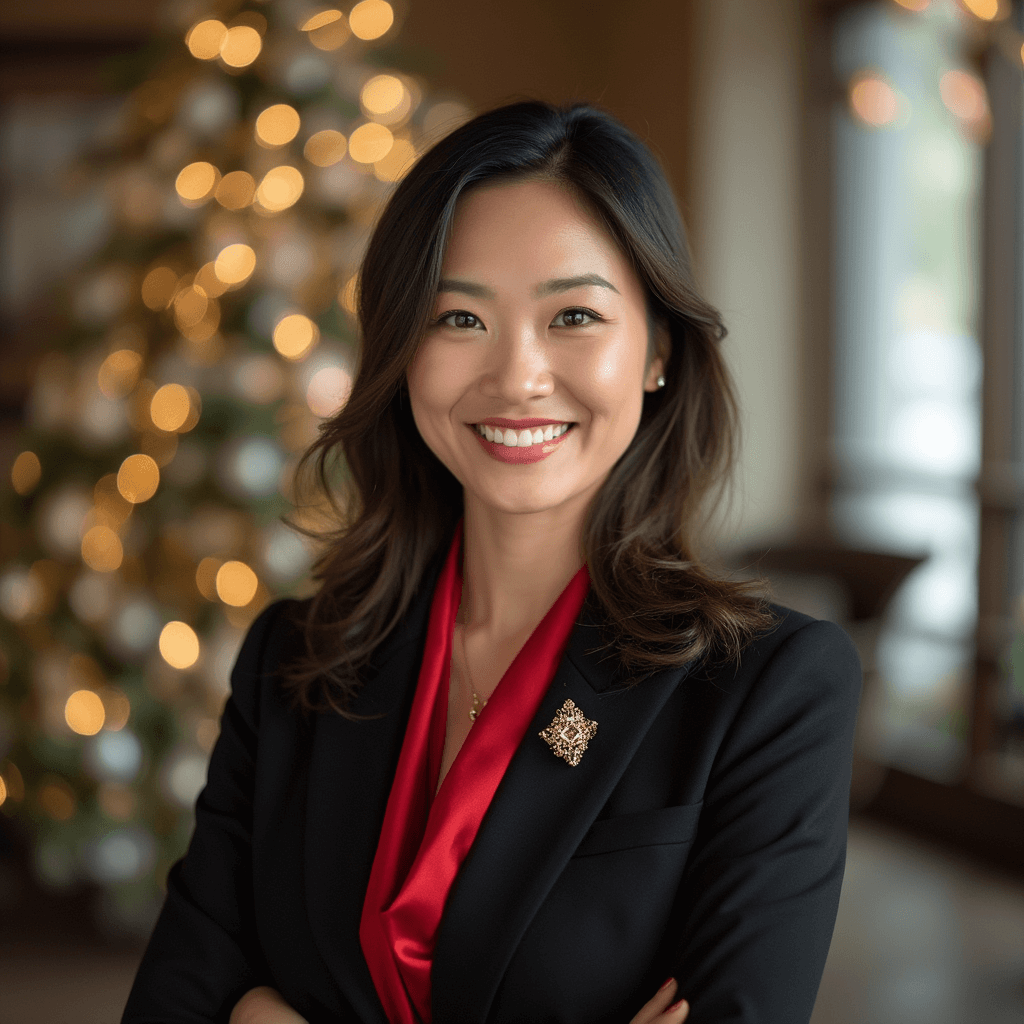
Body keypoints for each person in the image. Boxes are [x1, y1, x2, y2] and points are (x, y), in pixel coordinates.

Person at [121, 100, 861, 1024]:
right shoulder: (293, 663)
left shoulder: (768, 690)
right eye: (460, 318)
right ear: (403, 351)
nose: (516, 377)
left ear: (659, 351)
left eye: (575, 316)